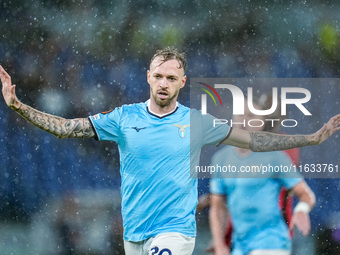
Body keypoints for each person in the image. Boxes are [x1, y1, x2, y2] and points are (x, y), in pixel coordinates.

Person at [1, 47, 340, 255]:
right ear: (149, 77)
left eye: (171, 78)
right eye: (159, 76)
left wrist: (309, 139)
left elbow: (255, 141)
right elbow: (64, 128)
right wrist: (18, 105)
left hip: (175, 230)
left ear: (182, 81)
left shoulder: (197, 122)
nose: (164, 83)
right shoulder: (123, 118)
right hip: (134, 231)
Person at [209, 100, 316, 255]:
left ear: (261, 123)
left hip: (271, 241)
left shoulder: (276, 157)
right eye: (239, 114)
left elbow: (306, 195)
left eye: (251, 115)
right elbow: (217, 207)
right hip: (239, 245)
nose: (243, 119)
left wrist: (301, 210)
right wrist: (219, 244)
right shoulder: (220, 158)